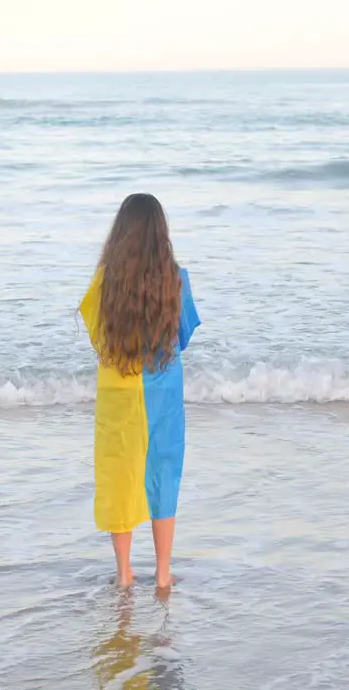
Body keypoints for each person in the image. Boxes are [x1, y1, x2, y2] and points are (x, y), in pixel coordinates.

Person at [79, 193, 201, 590]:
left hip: (119, 390)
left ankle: (124, 573)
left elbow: (97, 335)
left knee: (120, 474)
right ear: (160, 233)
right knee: (163, 473)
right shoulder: (175, 279)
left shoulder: (105, 281)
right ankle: (163, 574)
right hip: (162, 390)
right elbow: (182, 336)